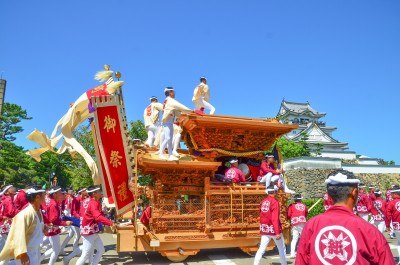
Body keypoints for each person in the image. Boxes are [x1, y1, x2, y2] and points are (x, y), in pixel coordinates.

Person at [296, 169, 394, 265]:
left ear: (329, 195)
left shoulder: (311, 225)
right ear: (354, 192)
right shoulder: (369, 230)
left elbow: (301, 260)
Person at [0, 186, 46, 265]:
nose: (45, 197)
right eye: (44, 195)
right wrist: (23, 254)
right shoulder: (25, 214)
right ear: (38, 197)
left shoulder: (37, 211)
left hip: (36, 250)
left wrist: (43, 228)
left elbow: (34, 227)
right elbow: (18, 235)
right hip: (27, 252)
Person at [75, 186, 115, 265]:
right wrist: (110, 223)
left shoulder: (86, 201)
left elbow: (93, 214)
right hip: (89, 232)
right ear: (94, 194)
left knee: (101, 250)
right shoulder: (93, 203)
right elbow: (97, 216)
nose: (101, 193)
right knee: (85, 255)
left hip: (91, 230)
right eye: (99, 191)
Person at [253, 184, 287, 265]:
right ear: (274, 192)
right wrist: (277, 232)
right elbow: (274, 218)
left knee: (261, 249)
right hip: (273, 229)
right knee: (281, 248)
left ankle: (255, 264)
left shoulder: (263, 201)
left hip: (265, 228)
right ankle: (284, 263)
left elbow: (261, 214)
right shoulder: (274, 202)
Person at [40, 186, 72, 265]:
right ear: (54, 194)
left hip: (51, 228)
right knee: (56, 250)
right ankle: (39, 260)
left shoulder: (51, 202)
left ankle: (38, 258)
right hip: (53, 229)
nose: (62, 194)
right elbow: (53, 220)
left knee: (54, 248)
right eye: (60, 193)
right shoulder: (53, 203)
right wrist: (65, 223)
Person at [158, 87, 191, 161]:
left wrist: (186, 115)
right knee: (168, 138)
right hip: (167, 122)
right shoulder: (170, 100)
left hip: (170, 122)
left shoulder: (168, 101)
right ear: (169, 92)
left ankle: (170, 155)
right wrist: (191, 111)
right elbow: (180, 106)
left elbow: (177, 113)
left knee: (169, 140)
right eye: (173, 92)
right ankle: (161, 154)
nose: (174, 93)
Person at [59, 188, 80, 255]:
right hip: (68, 216)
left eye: (72, 191)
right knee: (77, 234)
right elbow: (63, 205)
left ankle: (62, 249)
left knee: (71, 234)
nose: (71, 192)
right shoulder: (66, 197)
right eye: (70, 191)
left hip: (71, 216)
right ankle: (74, 249)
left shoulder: (74, 198)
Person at [0, 185, 17, 265]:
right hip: (6, 225)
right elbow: (11, 212)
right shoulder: (8, 200)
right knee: (9, 245)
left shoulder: (2, 199)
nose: (14, 195)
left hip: (3, 224)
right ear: (6, 192)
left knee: (5, 244)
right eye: (13, 194)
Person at [287, 194, 308, 258]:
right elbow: (306, 214)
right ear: (301, 199)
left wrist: (288, 219)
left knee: (294, 239)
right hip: (302, 222)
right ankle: (304, 252)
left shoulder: (291, 206)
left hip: (294, 223)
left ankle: (292, 253)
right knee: (304, 238)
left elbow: (288, 215)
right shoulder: (304, 205)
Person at [386, 185, 400, 261]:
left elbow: (387, 215)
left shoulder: (391, 203)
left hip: (397, 227)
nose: (391, 196)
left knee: (399, 242)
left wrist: (387, 225)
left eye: (391, 194)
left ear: (395, 194)